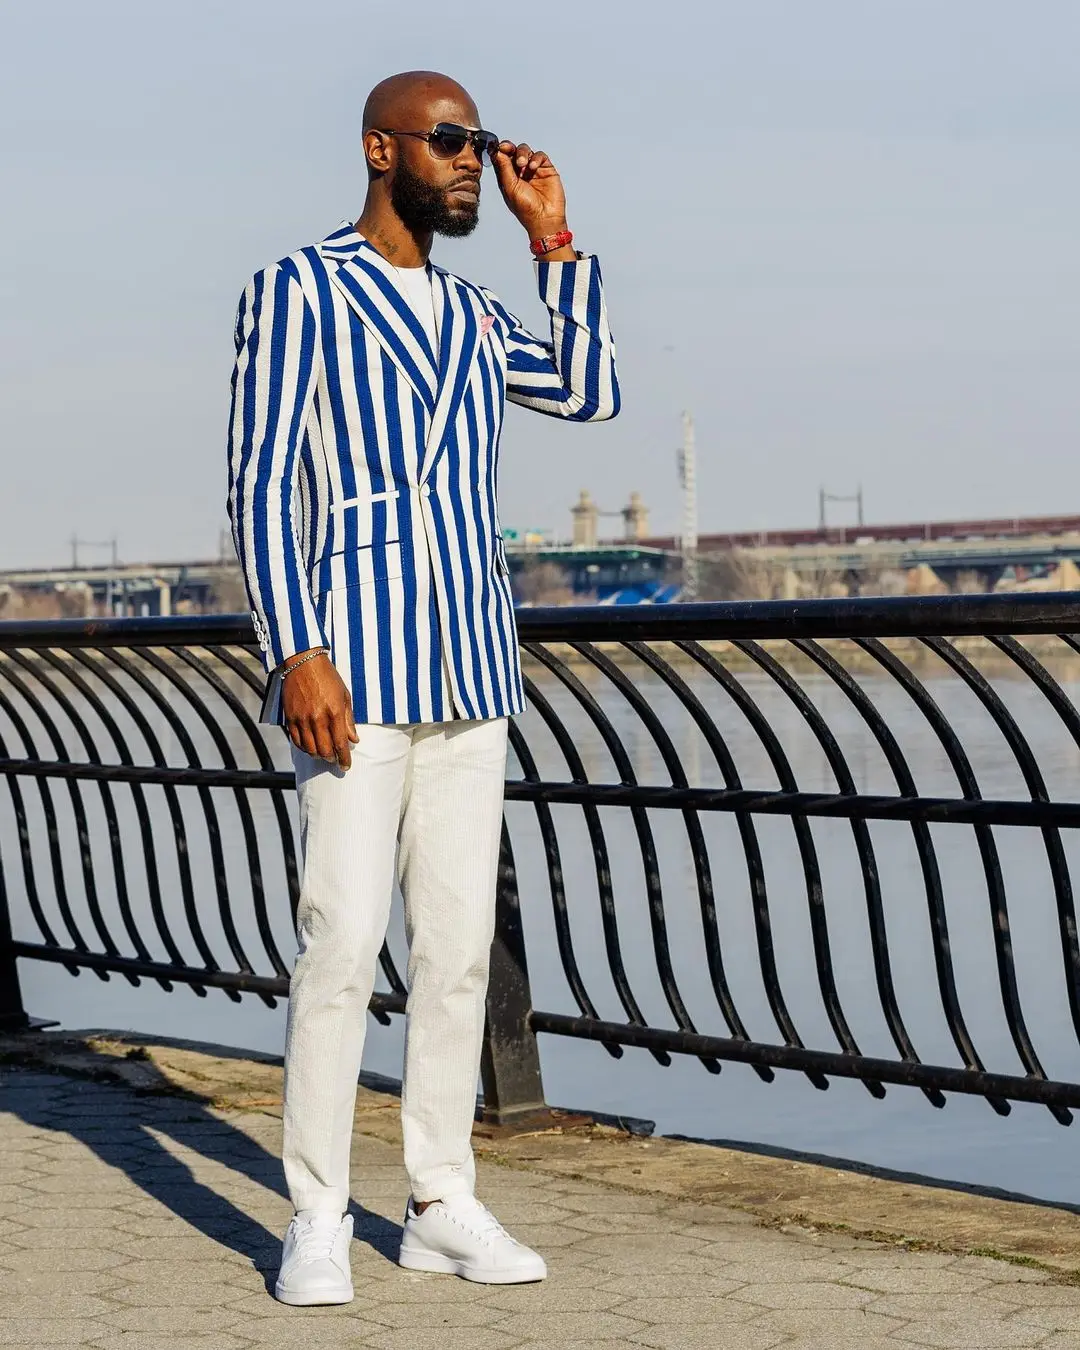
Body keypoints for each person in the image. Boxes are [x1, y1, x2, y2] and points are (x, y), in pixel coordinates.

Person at [226, 69, 619, 1307]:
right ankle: (317, 1215)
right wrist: (295, 647)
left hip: (470, 662)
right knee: (339, 943)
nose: (467, 162)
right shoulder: (296, 290)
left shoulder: (472, 311)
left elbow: (586, 388)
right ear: (379, 148)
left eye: (479, 143)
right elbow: (257, 483)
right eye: (449, 142)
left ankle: (441, 1201)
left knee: (454, 952)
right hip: (353, 666)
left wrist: (553, 238)